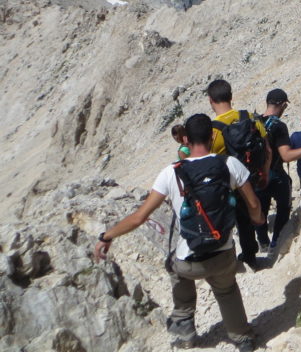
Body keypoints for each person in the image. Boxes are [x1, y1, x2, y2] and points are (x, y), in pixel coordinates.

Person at [94, 113, 263, 351]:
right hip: (223, 255)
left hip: (189, 262)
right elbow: (254, 204)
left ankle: (184, 325)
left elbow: (139, 217)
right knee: (227, 289)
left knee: (173, 265)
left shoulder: (170, 173)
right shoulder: (229, 164)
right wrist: (258, 221)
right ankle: (242, 337)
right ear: (212, 135)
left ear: (185, 139)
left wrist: (107, 236)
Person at [207, 79, 270, 269]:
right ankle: (253, 252)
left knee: (228, 221)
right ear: (231, 97)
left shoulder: (211, 130)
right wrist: (264, 173)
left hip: (228, 185)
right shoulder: (249, 117)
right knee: (249, 215)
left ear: (210, 101)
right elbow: (267, 149)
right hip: (251, 176)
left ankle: (231, 258)